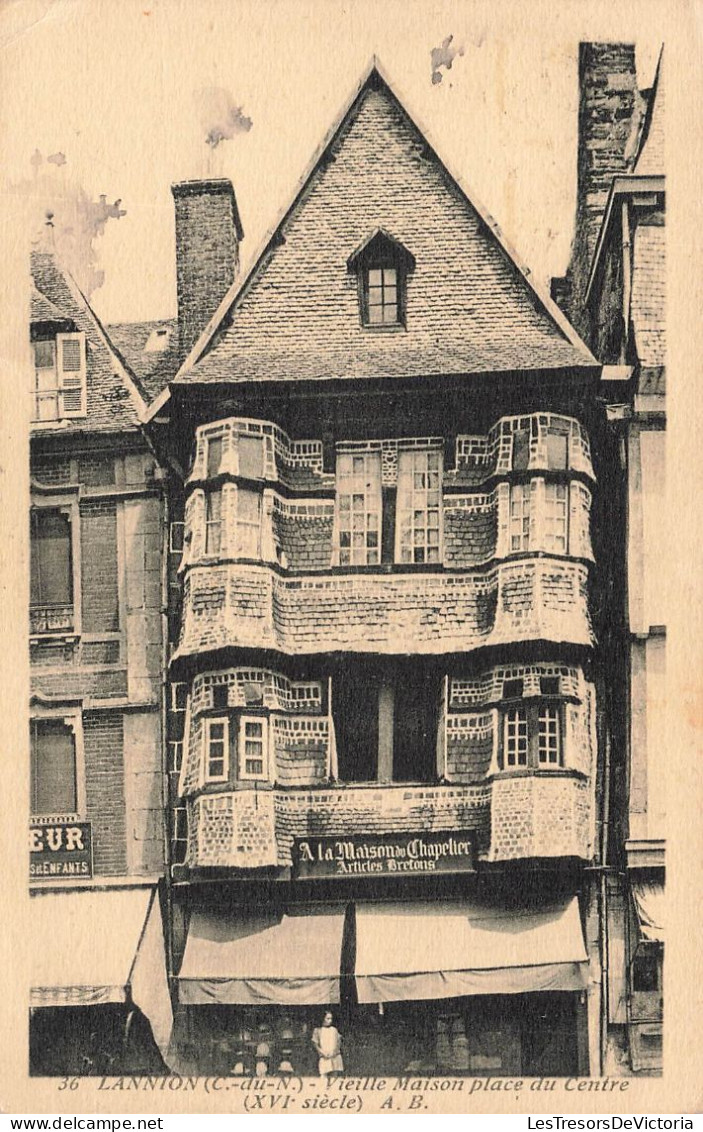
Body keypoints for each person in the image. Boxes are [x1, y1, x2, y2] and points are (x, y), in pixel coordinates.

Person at [311, 1011, 344, 1078]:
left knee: (334, 1075)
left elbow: (338, 1042)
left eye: (331, 1019)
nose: (330, 1021)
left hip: (334, 1055)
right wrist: (322, 1052)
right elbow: (315, 1044)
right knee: (323, 1075)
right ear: (323, 1019)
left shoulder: (334, 1030)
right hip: (324, 1056)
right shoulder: (317, 1030)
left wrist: (334, 1052)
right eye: (328, 1019)